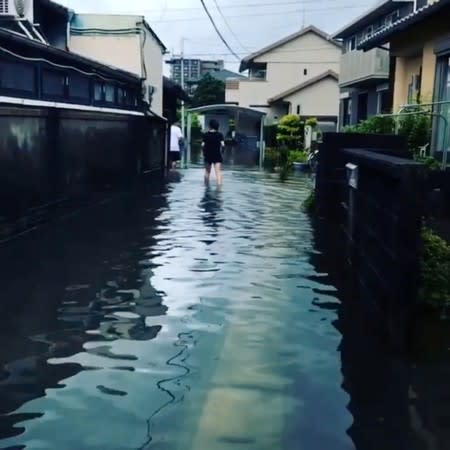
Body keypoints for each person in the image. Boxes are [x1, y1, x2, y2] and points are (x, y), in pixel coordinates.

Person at [202, 119, 224, 185]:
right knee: (218, 172)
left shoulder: (205, 135)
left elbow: (202, 145)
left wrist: (204, 152)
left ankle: (206, 186)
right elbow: (223, 145)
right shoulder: (220, 135)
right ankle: (219, 187)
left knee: (207, 171)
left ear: (210, 126)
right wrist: (222, 152)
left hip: (208, 155)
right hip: (217, 154)